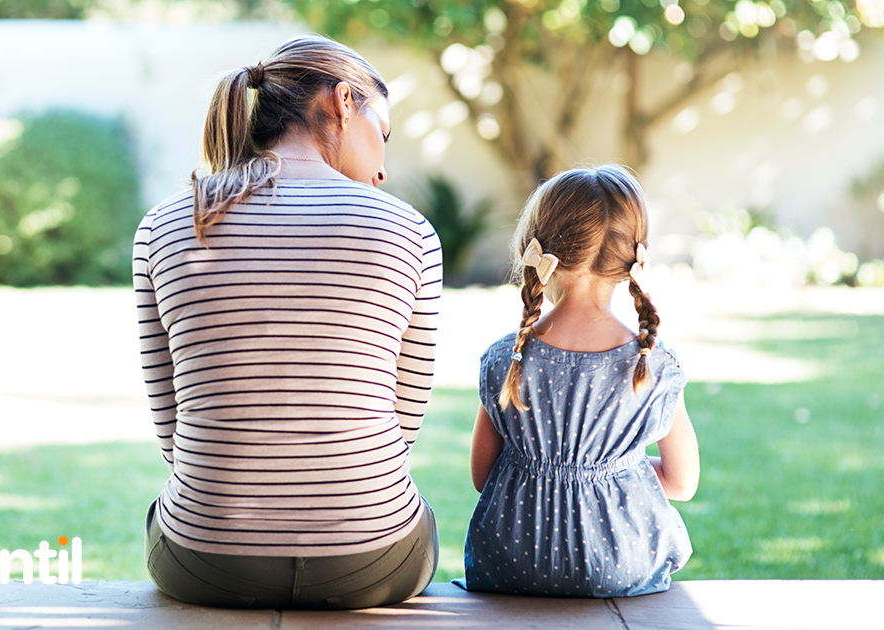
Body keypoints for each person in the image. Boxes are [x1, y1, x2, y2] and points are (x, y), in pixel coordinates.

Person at [132, 35, 443, 609]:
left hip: (205, 560)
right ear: (344, 102)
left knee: (165, 510)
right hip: (372, 561)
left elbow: (172, 429)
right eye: (384, 133)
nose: (383, 167)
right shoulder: (409, 232)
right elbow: (402, 427)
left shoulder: (166, 224)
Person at [460, 165, 699, 598]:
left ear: (537, 249)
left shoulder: (504, 358)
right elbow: (682, 483)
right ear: (633, 259)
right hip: (621, 566)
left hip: (512, 565)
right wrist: (612, 470)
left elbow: (482, 475)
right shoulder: (653, 364)